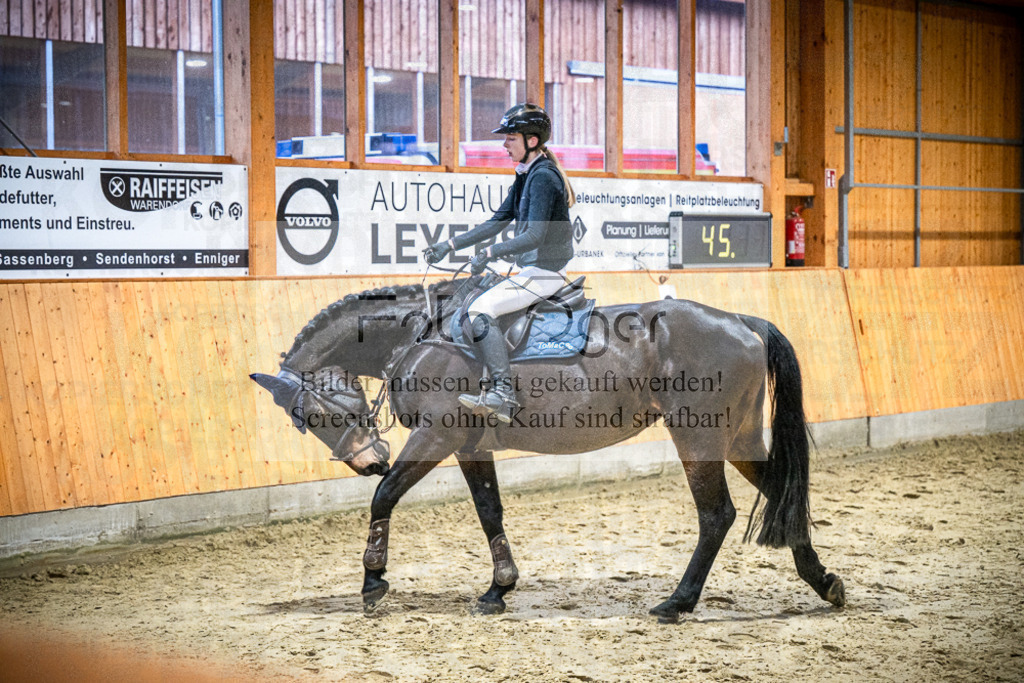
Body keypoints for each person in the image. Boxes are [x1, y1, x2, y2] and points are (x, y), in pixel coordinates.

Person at [423, 103, 576, 424]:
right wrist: (448, 245)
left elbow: (534, 235)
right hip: (533, 271)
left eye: (510, 138)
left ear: (531, 141)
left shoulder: (544, 177)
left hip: (545, 274)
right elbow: (496, 222)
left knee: (480, 311)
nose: (504, 145)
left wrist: (490, 253)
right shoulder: (528, 174)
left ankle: (503, 392)